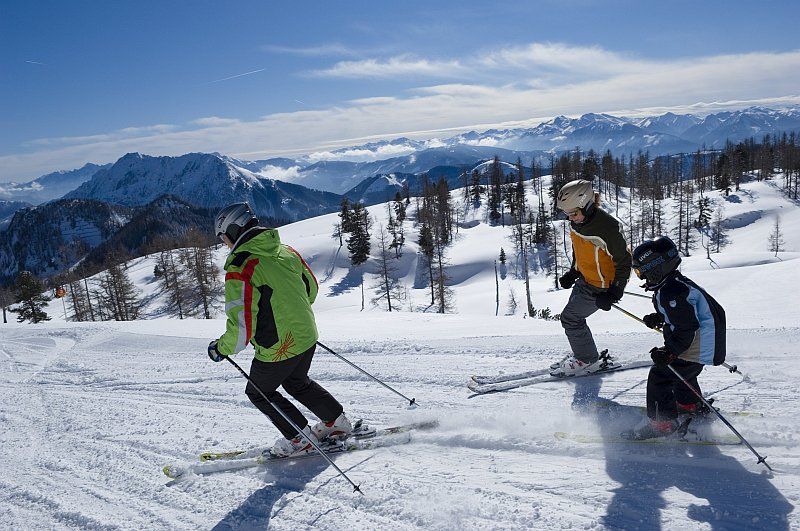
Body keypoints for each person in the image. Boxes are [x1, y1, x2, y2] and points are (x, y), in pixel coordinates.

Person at [207, 202, 352, 457]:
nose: (224, 244)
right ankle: (335, 422)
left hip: (277, 347)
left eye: (223, 238)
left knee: (259, 391)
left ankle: (300, 438)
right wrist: (291, 315)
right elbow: (311, 290)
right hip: (307, 336)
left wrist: (221, 348)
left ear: (232, 230)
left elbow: (241, 330)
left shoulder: (242, 268)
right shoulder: (286, 251)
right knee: (297, 382)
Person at [622, 236, 726, 440]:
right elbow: (685, 314)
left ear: (655, 268)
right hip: (706, 341)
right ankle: (690, 405)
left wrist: (669, 352)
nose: (642, 277)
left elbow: (686, 327)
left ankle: (663, 424)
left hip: (698, 343)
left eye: (641, 271)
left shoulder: (671, 291)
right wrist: (661, 318)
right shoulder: (675, 284)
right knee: (681, 374)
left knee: (661, 375)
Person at [552, 180, 632, 376]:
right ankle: (584, 353)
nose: (570, 218)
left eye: (574, 213)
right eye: (567, 214)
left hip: (601, 286)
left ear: (587, 205)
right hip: (585, 279)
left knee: (570, 319)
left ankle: (587, 360)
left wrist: (615, 291)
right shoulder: (577, 223)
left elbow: (624, 260)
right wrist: (574, 272)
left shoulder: (607, 228)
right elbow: (580, 251)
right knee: (573, 318)